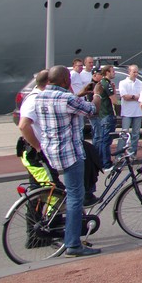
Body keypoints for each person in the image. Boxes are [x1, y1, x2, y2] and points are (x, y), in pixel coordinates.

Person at [18, 65, 102, 257]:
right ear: (65, 80)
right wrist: (97, 93)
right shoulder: (66, 98)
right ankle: (73, 244)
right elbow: (92, 110)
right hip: (69, 153)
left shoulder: (38, 97)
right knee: (75, 197)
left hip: (50, 151)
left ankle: (55, 226)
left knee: (54, 190)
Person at [91, 66, 117, 169]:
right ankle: (106, 163)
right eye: (113, 71)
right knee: (106, 140)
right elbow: (114, 101)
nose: (114, 73)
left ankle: (102, 162)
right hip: (107, 114)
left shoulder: (103, 83)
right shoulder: (106, 83)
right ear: (107, 72)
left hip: (103, 115)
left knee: (103, 139)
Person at [117, 64, 142, 159]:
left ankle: (133, 154)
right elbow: (125, 96)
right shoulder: (123, 83)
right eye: (134, 72)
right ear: (129, 72)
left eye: (137, 72)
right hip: (127, 112)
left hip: (138, 112)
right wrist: (135, 97)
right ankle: (119, 154)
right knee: (124, 133)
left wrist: (132, 96)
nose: (136, 74)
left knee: (136, 134)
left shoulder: (140, 83)